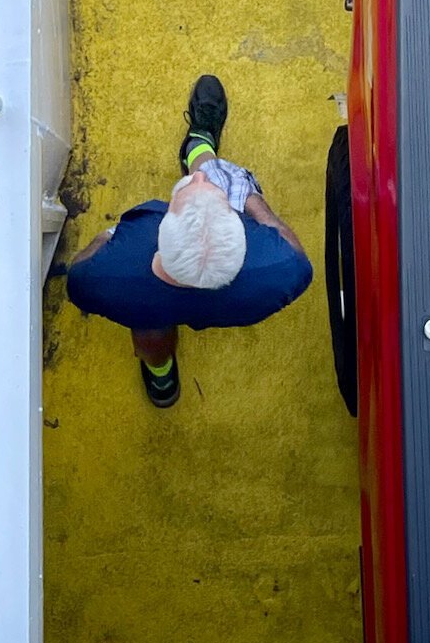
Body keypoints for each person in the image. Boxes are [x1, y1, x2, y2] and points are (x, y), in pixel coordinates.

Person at [63, 75, 312, 407]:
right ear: (240, 233)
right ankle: (200, 145)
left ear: (160, 232)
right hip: (237, 306)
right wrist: (247, 198)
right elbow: (292, 246)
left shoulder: (101, 276)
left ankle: (162, 375)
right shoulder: (283, 267)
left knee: (148, 326)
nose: (197, 177)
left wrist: (108, 236)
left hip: (144, 299)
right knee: (222, 176)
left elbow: (81, 268)